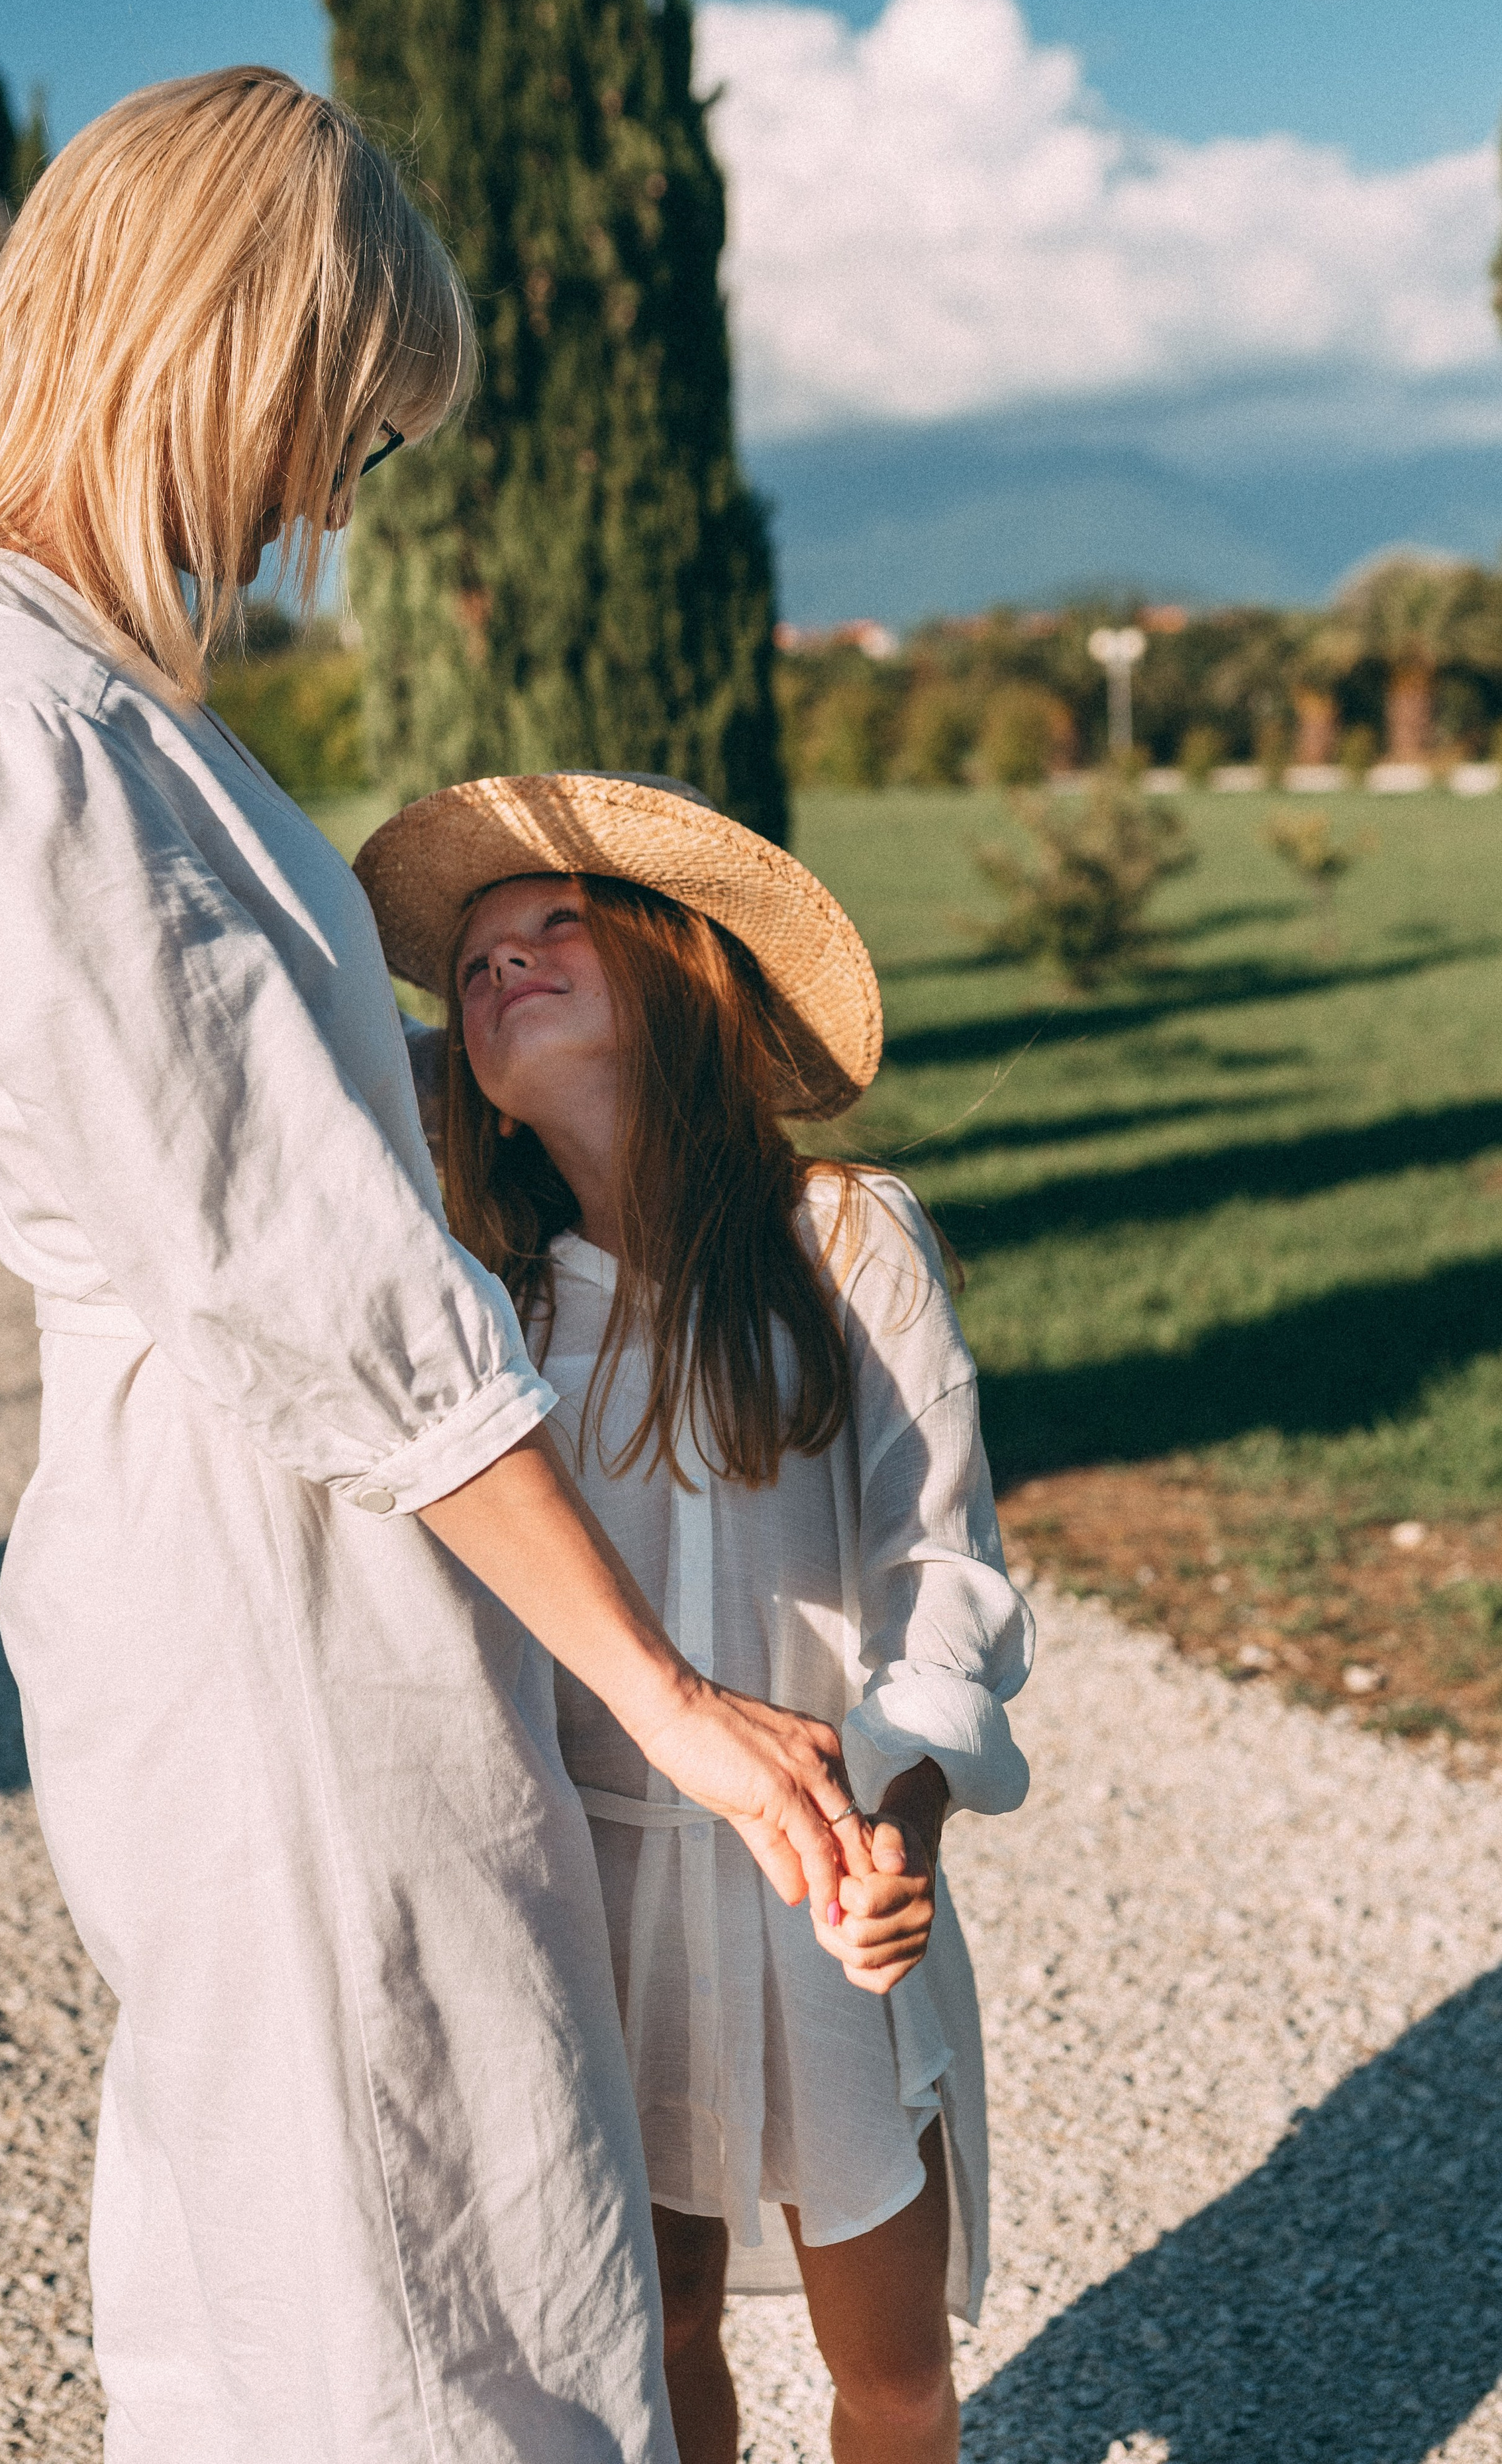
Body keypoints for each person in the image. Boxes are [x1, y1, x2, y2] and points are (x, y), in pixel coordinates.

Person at [0, 72, 871, 2464]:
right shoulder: (12, 718)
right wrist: (671, 1694)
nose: (324, 497)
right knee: (408, 2269)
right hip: (263, 1564)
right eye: (335, 417)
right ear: (215, 338)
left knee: (372, 2223)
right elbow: (311, 1275)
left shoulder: (102, 704)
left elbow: (280, 1108)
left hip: (306, 1539)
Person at [357, 773, 1036, 2464]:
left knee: (883, 2358)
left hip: (824, 1867)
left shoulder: (840, 1237)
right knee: (649, 2333)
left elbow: (937, 1561)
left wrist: (898, 1806)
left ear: (680, 969)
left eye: (553, 927)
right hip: (592, 1884)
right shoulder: (493, 1313)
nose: (502, 964)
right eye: (474, 967)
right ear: (479, 1099)